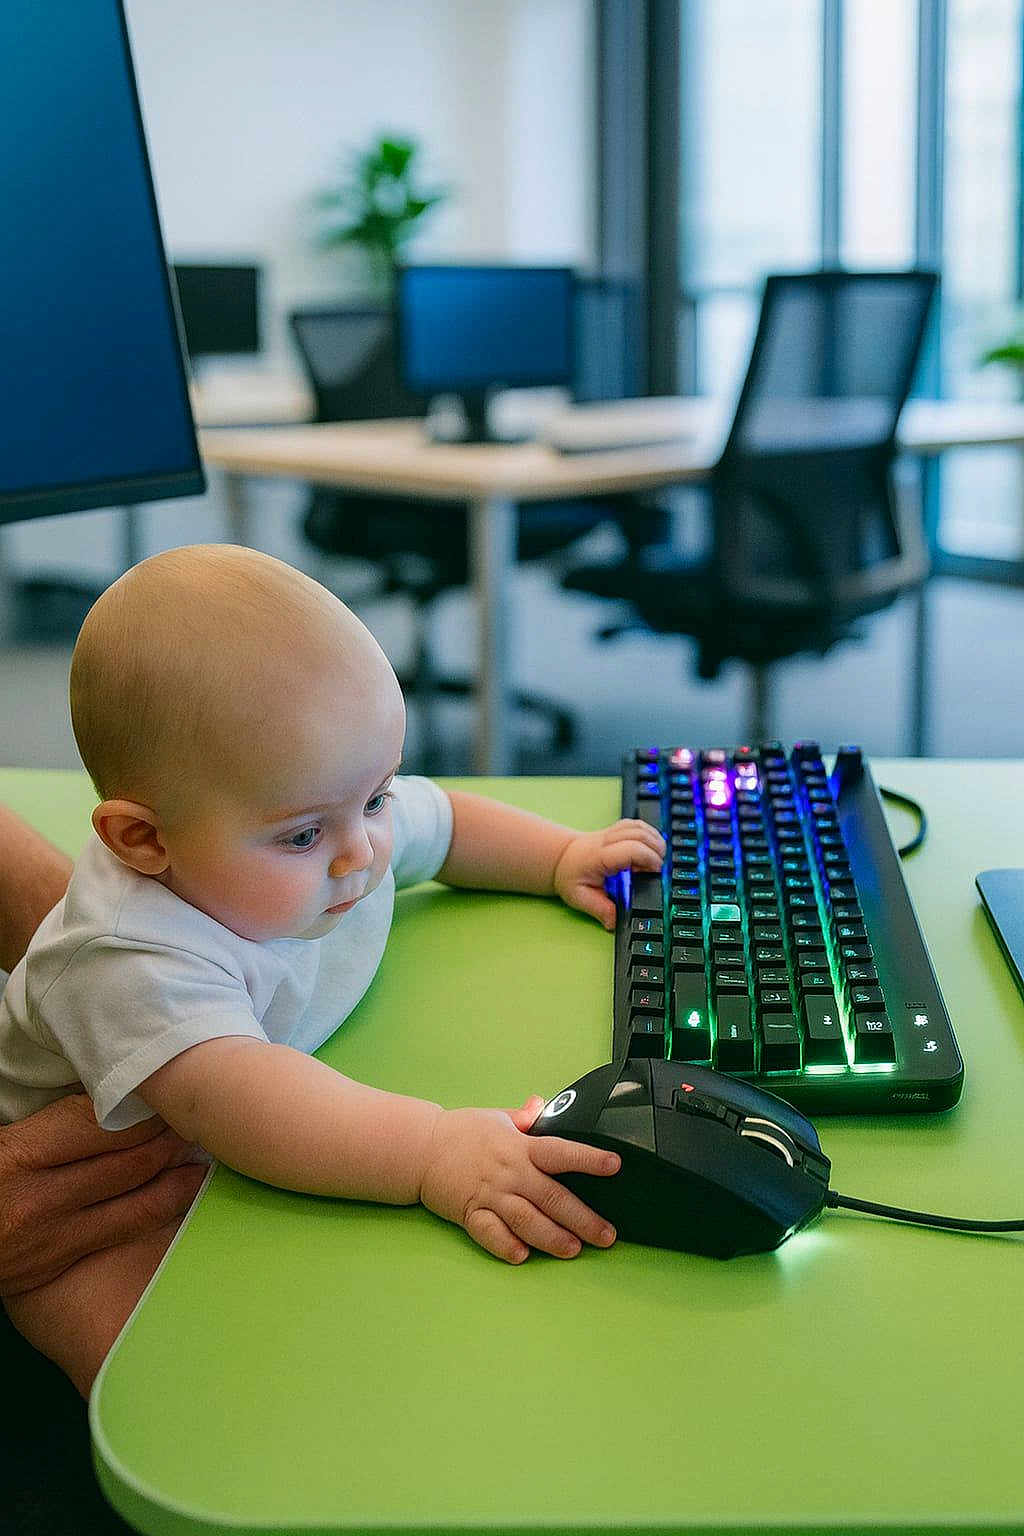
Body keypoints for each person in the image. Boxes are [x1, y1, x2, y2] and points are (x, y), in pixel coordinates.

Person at [0, 543, 665, 1399]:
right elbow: (246, 1102)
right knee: (168, 1380)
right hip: (82, 1202)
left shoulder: (322, 811)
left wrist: (558, 855)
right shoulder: (130, 960)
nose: (363, 851)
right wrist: (432, 1149)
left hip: (228, 1131)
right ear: (144, 841)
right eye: (306, 835)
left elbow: (443, 822)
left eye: (375, 797)